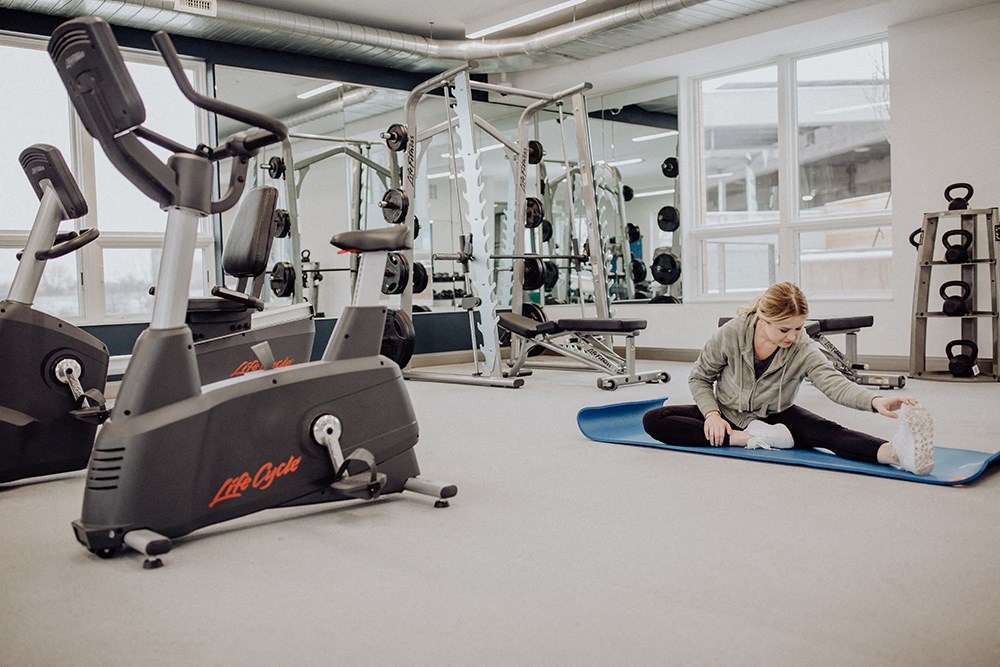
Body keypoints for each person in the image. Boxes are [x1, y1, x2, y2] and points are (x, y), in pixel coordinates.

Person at [642, 282, 935, 475]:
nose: (792, 336)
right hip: (728, 412)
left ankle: (898, 455)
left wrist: (876, 400)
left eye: (798, 328)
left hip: (776, 415)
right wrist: (712, 415)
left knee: (827, 432)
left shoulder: (802, 345)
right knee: (655, 420)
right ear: (762, 318)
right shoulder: (731, 333)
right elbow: (699, 379)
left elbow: (833, 383)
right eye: (784, 330)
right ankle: (747, 439)